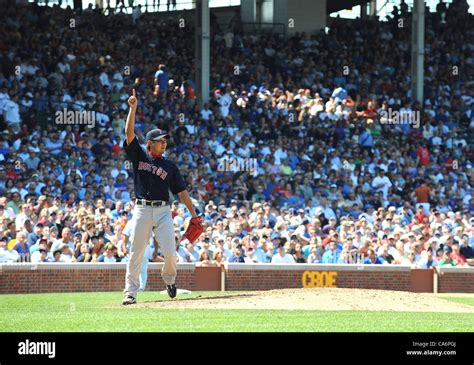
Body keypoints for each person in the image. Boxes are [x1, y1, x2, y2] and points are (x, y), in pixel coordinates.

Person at [122, 89, 201, 305]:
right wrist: (132, 109)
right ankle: (130, 292)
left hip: (164, 211)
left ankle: (170, 280)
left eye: (165, 141)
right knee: (136, 253)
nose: (164, 143)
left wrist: (194, 214)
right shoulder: (139, 156)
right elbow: (129, 134)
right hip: (142, 209)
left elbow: (181, 192)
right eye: (159, 141)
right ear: (149, 143)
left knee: (170, 252)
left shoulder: (169, 166)